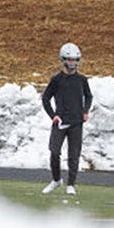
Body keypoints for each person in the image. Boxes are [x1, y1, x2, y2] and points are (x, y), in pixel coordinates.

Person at [41, 42, 93, 196]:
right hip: (61, 122)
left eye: (75, 60)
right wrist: (53, 115)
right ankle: (56, 179)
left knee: (74, 155)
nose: (73, 63)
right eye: (70, 60)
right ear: (63, 60)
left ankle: (71, 184)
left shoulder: (82, 80)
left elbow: (88, 96)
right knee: (54, 152)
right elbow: (45, 98)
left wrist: (85, 111)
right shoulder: (57, 79)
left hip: (77, 122)